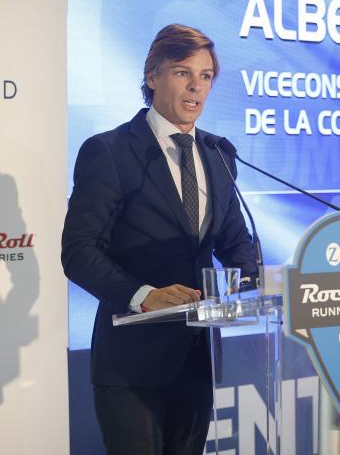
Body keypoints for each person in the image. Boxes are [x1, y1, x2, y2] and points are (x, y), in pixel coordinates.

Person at [61, 24, 257, 455]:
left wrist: (249, 283)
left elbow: (234, 239)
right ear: (152, 76)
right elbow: (78, 252)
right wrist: (145, 295)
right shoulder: (109, 151)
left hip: (197, 359)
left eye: (206, 76)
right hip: (131, 365)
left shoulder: (219, 154)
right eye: (182, 72)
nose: (195, 87)